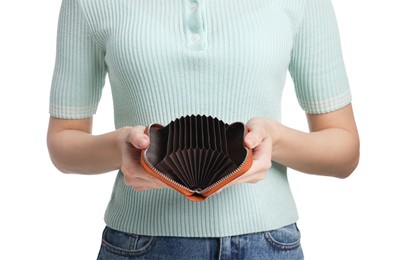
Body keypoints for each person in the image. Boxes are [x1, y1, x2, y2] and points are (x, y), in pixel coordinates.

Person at [47, 0, 360, 259]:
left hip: (267, 245)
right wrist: (120, 147)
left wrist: (276, 141)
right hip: (140, 244)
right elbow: (63, 142)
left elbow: (344, 150)